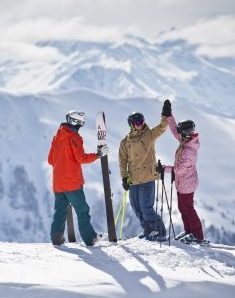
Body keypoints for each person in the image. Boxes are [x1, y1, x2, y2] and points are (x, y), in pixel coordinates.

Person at [48, 110, 109, 246]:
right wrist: (98, 154)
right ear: (77, 123)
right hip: (72, 183)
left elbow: (50, 160)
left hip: (58, 182)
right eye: (82, 122)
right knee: (82, 210)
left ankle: (56, 238)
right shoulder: (74, 137)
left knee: (60, 211)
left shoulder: (57, 137)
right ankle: (90, 238)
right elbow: (81, 158)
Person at [118, 102, 169, 241]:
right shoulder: (125, 142)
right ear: (131, 124)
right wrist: (125, 178)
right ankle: (147, 230)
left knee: (147, 208)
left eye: (142, 121)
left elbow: (162, 128)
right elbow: (123, 162)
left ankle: (160, 232)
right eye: (137, 122)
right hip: (133, 179)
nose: (140, 124)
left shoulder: (149, 135)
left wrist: (165, 116)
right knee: (137, 208)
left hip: (147, 178)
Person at [160, 99, 206, 244]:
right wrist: (169, 116)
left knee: (188, 209)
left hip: (186, 184)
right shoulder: (186, 140)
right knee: (182, 208)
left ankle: (197, 235)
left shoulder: (189, 151)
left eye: (181, 131)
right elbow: (175, 131)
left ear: (186, 133)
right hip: (182, 184)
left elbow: (179, 170)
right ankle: (189, 232)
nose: (178, 133)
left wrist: (164, 169)